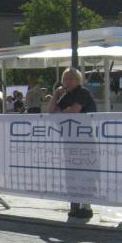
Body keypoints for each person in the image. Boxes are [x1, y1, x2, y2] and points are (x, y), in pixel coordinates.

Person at [48, 67, 97, 220]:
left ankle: (86, 207)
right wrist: (56, 94)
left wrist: (61, 113)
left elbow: (74, 111)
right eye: (65, 79)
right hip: (69, 140)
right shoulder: (67, 95)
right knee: (71, 173)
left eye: (71, 78)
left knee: (84, 172)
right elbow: (51, 111)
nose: (67, 81)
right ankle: (75, 204)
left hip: (85, 140)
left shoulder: (83, 93)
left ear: (78, 80)